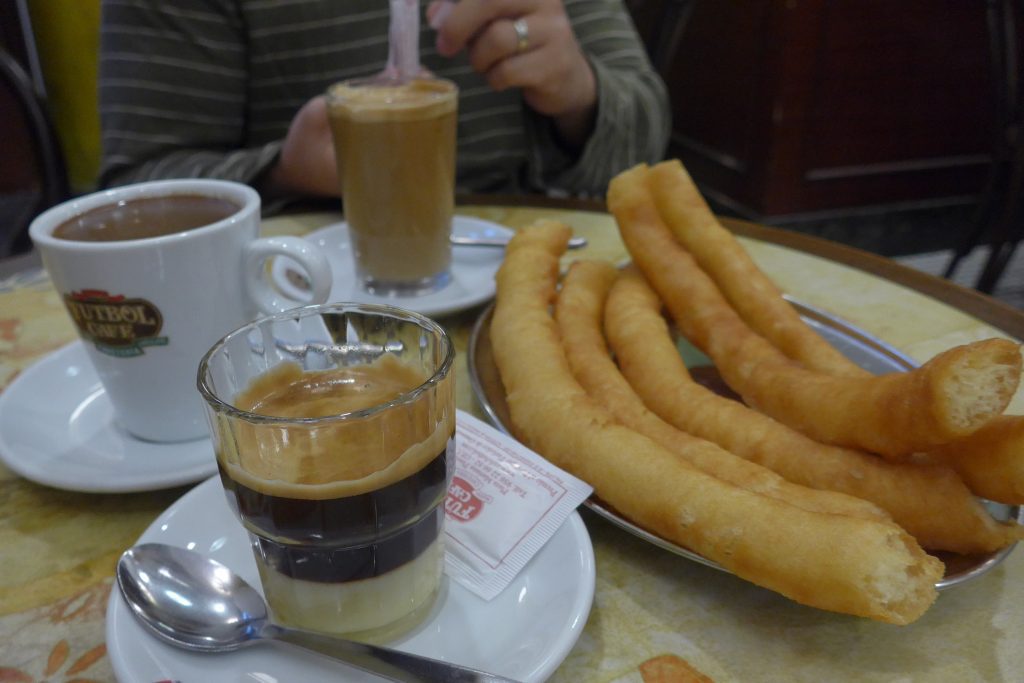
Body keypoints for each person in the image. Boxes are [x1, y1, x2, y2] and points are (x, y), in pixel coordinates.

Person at [98, 0, 670, 203]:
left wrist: (576, 92)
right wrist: (284, 172)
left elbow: (648, 135)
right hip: (291, 308)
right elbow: (137, 194)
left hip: (519, 270)